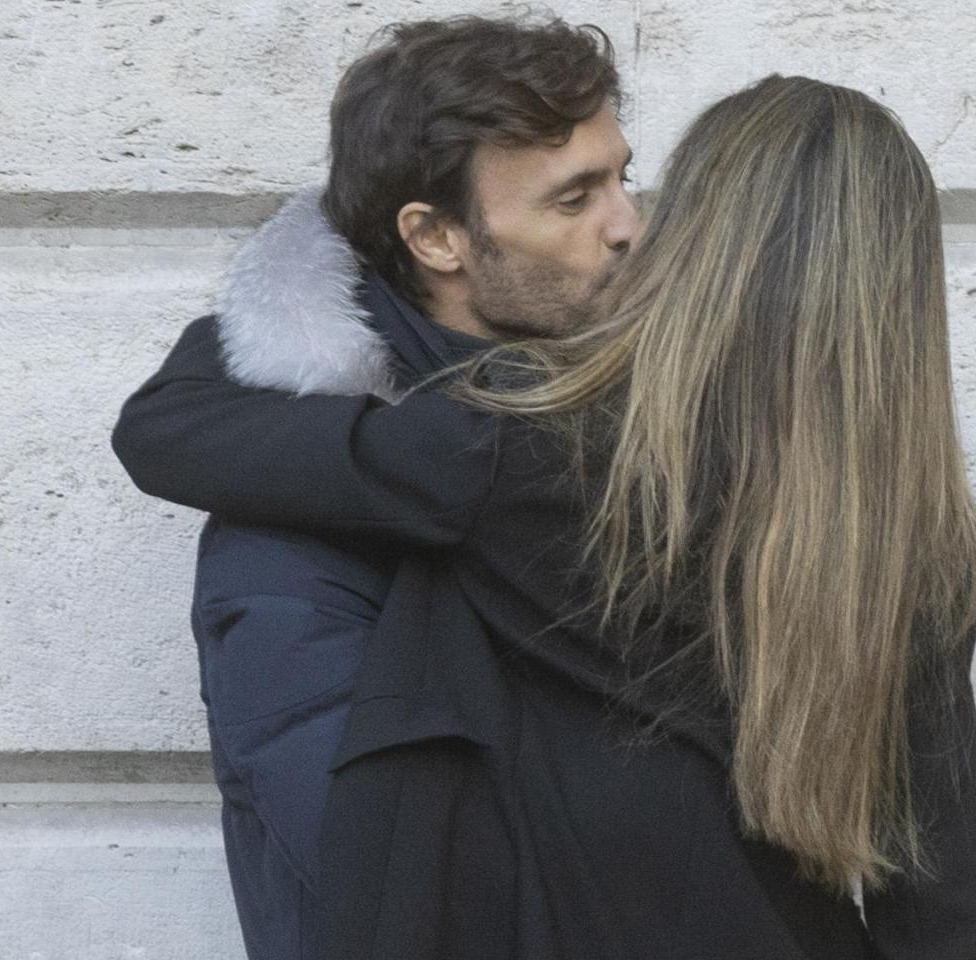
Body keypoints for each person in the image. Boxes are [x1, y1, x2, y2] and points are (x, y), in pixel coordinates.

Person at [115, 74, 976, 959]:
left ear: (700, 237)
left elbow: (174, 432)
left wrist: (299, 270)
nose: (628, 226)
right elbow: (935, 886)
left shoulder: (525, 442)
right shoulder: (921, 540)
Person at [137, 15, 637, 960]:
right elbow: (394, 878)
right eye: (574, 200)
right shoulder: (293, 534)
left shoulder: (632, 424)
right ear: (438, 237)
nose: (627, 227)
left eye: (622, 176)